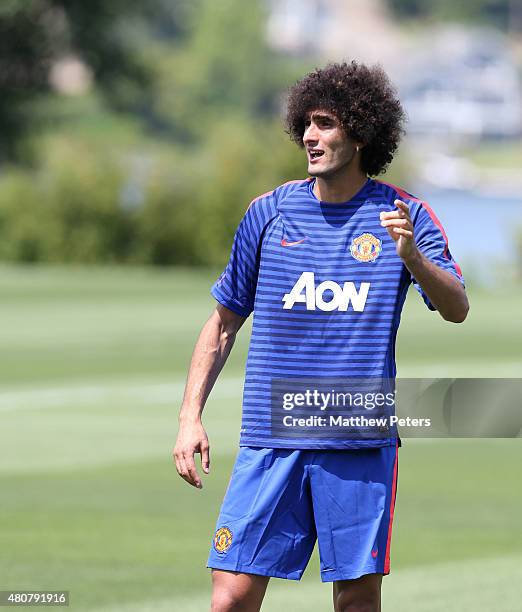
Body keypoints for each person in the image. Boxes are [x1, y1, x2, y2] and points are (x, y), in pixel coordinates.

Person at [173, 61, 469, 612]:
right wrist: (190, 415)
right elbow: (222, 324)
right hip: (271, 434)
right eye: (306, 123)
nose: (310, 136)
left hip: (357, 437)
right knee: (230, 596)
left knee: (356, 601)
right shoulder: (268, 213)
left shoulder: (405, 216)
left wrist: (412, 258)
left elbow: (456, 307)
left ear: (360, 133)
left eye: (326, 123)